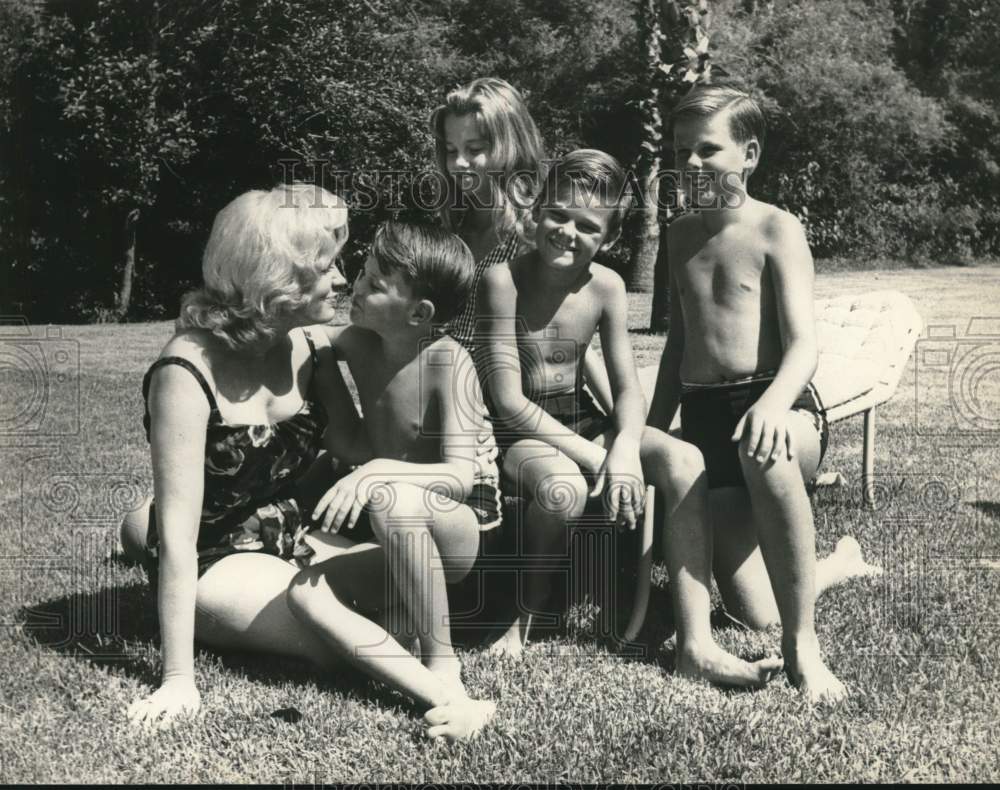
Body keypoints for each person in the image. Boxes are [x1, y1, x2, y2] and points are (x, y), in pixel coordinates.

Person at [477, 148, 783, 687]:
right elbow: (507, 401)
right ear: (537, 210)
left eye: (588, 226)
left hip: (584, 422)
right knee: (561, 485)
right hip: (519, 432)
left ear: (610, 238)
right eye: (558, 215)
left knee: (683, 456)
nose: (568, 233)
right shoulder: (503, 279)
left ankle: (695, 643)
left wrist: (622, 448)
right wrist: (601, 457)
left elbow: (626, 391)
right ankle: (526, 614)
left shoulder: (607, 287)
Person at [646, 85, 880, 703]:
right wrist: (648, 429)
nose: (691, 164)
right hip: (703, 414)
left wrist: (773, 403)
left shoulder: (778, 228)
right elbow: (677, 347)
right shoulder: (678, 237)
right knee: (755, 612)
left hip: (778, 408)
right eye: (680, 152)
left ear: (748, 154)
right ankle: (837, 563)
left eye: (707, 150)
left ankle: (804, 647)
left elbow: (804, 345)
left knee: (764, 451)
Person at [120, 184, 364, 728]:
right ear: (276, 278)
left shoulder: (311, 346)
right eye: (328, 266)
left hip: (285, 529)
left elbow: (355, 449)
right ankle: (141, 531)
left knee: (402, 583)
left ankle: (136, 526)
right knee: (335, 640)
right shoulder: (183, 372)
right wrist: (178, 681)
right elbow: (182, 538)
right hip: (214, 556)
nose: (343, 280)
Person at [286, 221, 501, 741]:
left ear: (419, 313)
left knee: (388, 498)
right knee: (304, 583)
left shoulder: (449, 361)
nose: (355, 286)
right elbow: (302, 338)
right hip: (393, 530)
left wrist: (378, 470)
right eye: (361, 273)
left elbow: (460, 476)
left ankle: (442, 668)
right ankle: (396, 636)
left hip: (461, 530)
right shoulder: (359, 343)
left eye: (375, 283)